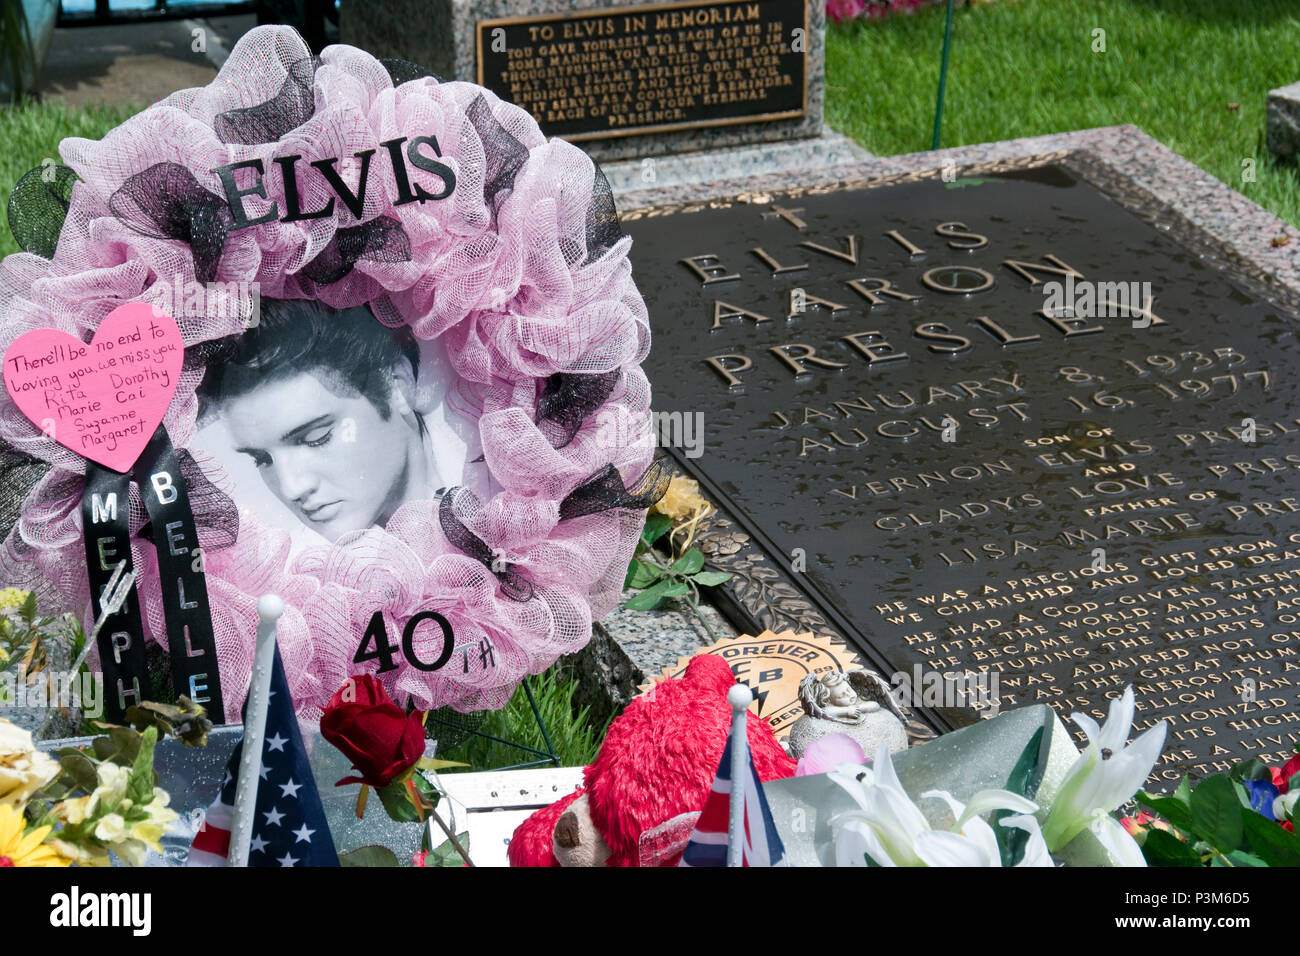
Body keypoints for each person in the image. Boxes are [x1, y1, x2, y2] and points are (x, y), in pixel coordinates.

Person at [197, 298, 462, 542]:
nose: (292, 488)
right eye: (262, 459)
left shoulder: (491, 502)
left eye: (315, 438)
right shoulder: (299, 578)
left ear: (396, 385)